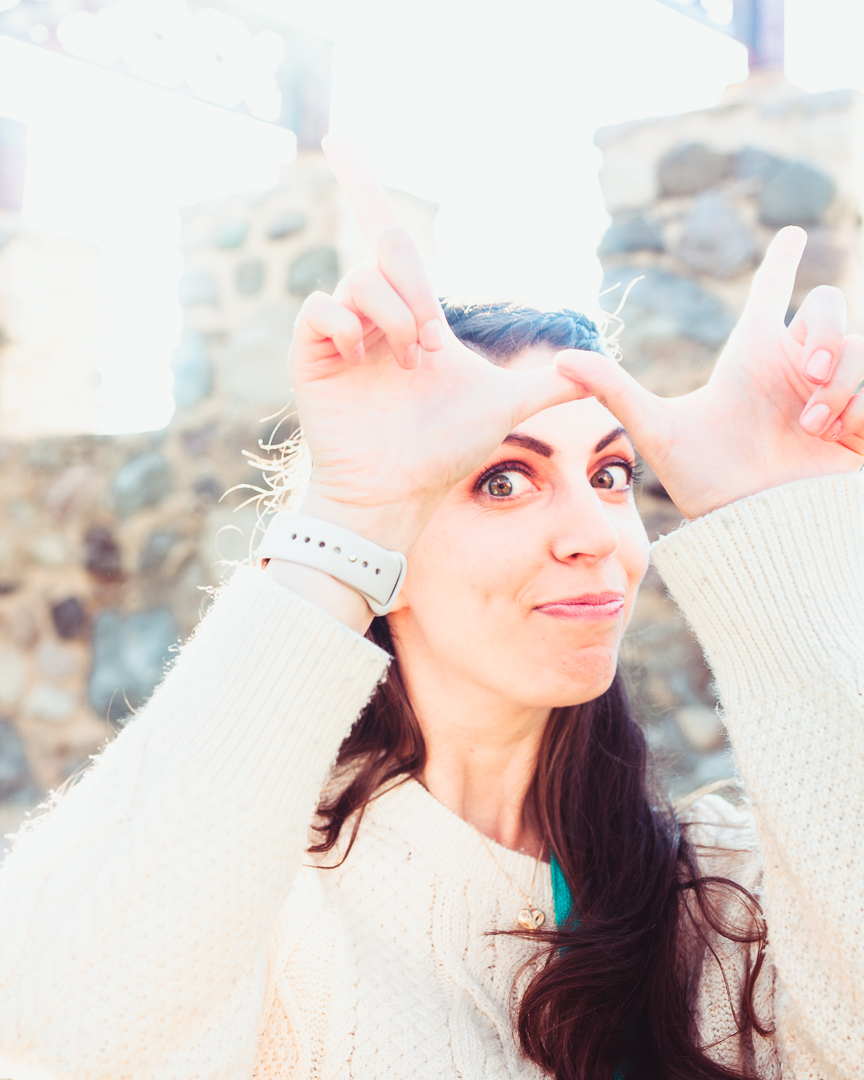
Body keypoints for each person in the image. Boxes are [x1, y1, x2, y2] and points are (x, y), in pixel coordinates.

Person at [0, 136, 862, 1080]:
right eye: (503, 480)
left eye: (611, 473)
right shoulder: (254, 902)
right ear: (383, 555)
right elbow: (59, 1038)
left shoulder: (727, 894)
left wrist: (784, 530)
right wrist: (348, 511)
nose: (597, 534)